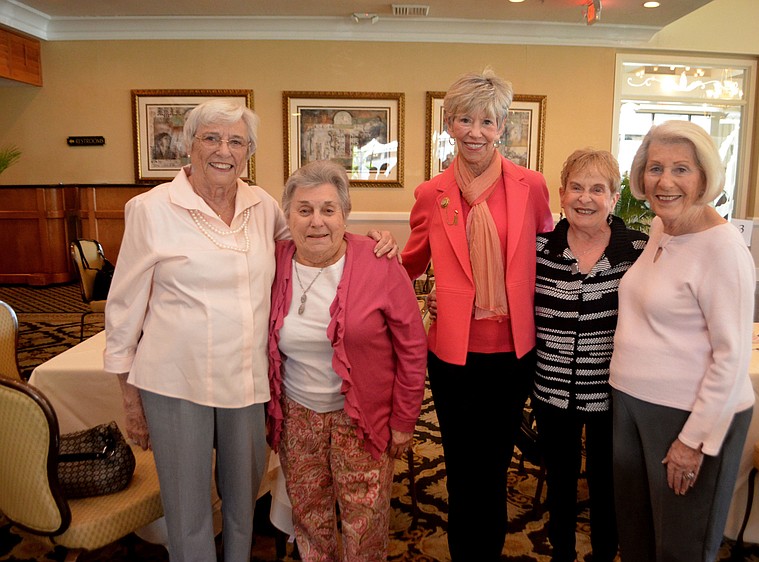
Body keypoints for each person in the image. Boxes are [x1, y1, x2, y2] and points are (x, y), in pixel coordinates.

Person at [103, 99, 397, 562]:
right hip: (175, 380)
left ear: (248, 151)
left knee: (243, 500)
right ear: (190, 144)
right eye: (212, 138)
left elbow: (312, 236)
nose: (224, 150)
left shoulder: (260, 204)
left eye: (236, 141)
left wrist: (371, 243)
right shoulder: (150, 209)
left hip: (247, 380)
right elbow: (123, 308)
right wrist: (128, 395)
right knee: (188, 505)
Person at [401, 69, 553, 560]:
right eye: (463, 119)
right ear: (448, 123)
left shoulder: (531, 186)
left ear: (502, 127)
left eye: (486, 121)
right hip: (452, 354)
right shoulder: (432, 192)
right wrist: (366, 253)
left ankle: (485, 550)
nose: (474, 131)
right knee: (462, 464)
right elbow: (412, 262)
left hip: (513, 352)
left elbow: (550, 254)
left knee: (495, 464)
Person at [609, 120, 755, 562]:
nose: (665, 181)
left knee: (681, 546)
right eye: (655, 168)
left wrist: (693, 441)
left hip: (687, 413)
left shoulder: (722, 248)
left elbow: (732, 358)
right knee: (636, 536)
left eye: (681, 169)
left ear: (704, 176)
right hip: (632, 404)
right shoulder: (661, 227)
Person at [266, 159, 426, 561]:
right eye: (304, 210)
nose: (316, 221)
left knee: (364, 524)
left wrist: (404, 419)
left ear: (345, 216)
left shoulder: (378, 261)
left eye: (328, 209)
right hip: (297, 416)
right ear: (289, 216)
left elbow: (412, 346)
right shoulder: (273, 261)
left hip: (363, 418)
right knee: (309, 517)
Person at [534, 149, 647, 562]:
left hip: (613, 392)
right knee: (560, 480)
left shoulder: (639, 249)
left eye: (597, 189)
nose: (586, 198)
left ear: (614, 198)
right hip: (550, 388)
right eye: (577, 188)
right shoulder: (538, 249)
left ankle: (604, 552)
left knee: (608, 483)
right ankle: (561, 551)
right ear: (561, 195)